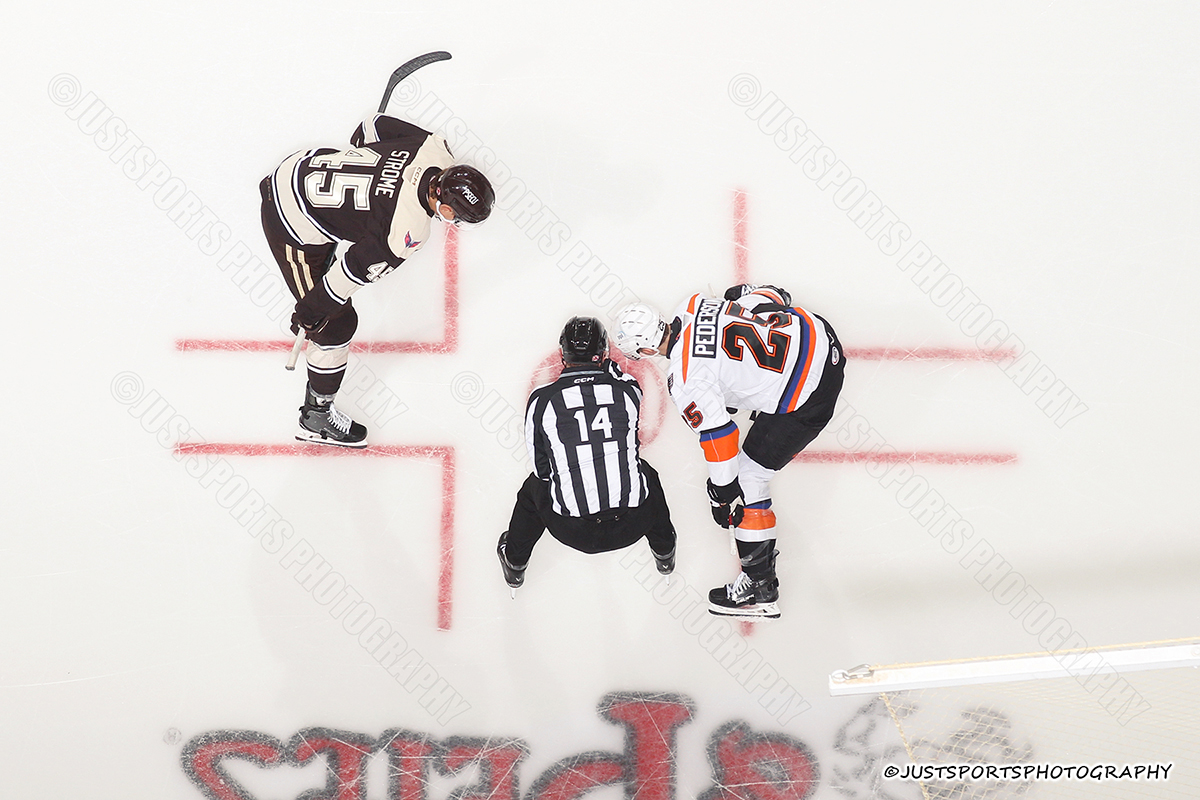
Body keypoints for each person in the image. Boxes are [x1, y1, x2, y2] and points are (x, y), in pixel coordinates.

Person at [260, 113, 494, 447]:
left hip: (299, 166)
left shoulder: (432, 148)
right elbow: (346, 274)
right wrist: (311, 311)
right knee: (336, 325)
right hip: (287, 214)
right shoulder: (405, 234)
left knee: (353, 223)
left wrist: (382, 174)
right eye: (458, 217)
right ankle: (316, 416)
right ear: (444, 208)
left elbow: (369, 128)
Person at [612, 284, 845, 619]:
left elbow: (721, 436)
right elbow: (764, 299)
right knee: (751, 313)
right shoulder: (691, 304)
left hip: (812, 393)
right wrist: (762, 293)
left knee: (749, 478)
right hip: (818, 333)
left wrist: (722, 492)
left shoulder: (685, 379)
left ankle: (759, 586)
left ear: (646, 351)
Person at [497, 317, 677, 595]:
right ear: (603, 352)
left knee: (532, 491)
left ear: (563, 354)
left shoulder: (542, 400)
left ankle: (515, 564)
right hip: (632, 524)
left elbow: (541, 469)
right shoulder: (626, 391)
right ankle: (665, 552)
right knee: (647, 475)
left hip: (572, 530)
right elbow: (626, 380)